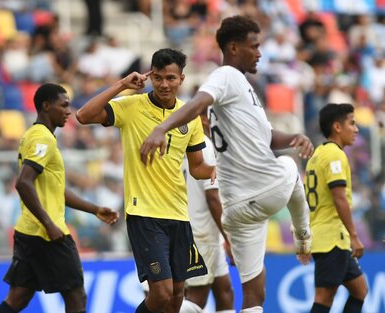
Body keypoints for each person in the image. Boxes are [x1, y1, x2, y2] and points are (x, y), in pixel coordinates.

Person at [139, 15, 313, 312]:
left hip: (237, 211)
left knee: (253, 296)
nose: (260, 52)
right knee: (289, 168)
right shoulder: (227, 76)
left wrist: (294, 135)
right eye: (254, 46)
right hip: (264, 189)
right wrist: (161, 128)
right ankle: (304, 236)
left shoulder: (240, 89)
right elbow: (198, 101)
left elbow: (268, 136)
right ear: (233, 47)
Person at [76, 48, 214, 313]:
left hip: (178, 214)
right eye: (158, 77)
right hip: (144, 213)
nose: (164, 84)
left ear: (181, 79)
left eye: (171, 78)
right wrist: (121, 85)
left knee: (176, 297)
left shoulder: (189, 116)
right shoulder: (132, 106)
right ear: (150, 76)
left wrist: (218, 171)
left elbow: (197, 167)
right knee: (160, 293)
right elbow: (83, 116)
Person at [0, 83, 119, 313]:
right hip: (47, 234)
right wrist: (49, 224)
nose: (68, 111)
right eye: (63, 105)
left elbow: (55, 190)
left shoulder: (34, 136)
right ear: (46, 106)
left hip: (28, 231)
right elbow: (23, 183)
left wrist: (94, 209)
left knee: (18, 298)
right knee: (76, 297)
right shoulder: (43, 139)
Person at [306, 103, 368, 313]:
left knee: (360, 289)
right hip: (332, 238)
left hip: (328, 236)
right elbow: (338, 196)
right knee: (324, 298)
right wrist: (354, 235)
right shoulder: (335, 155)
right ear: (337, 127)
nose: (356, 129)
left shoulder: (317, 155)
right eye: (352, 123)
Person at [180, 107, 235, 313]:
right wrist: (229, 238)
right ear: (203, 119)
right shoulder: (206, 146)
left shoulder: (181, 145)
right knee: (196, 299)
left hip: (202, 232)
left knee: (225, 291)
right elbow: (213, 197)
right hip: (201, 234)